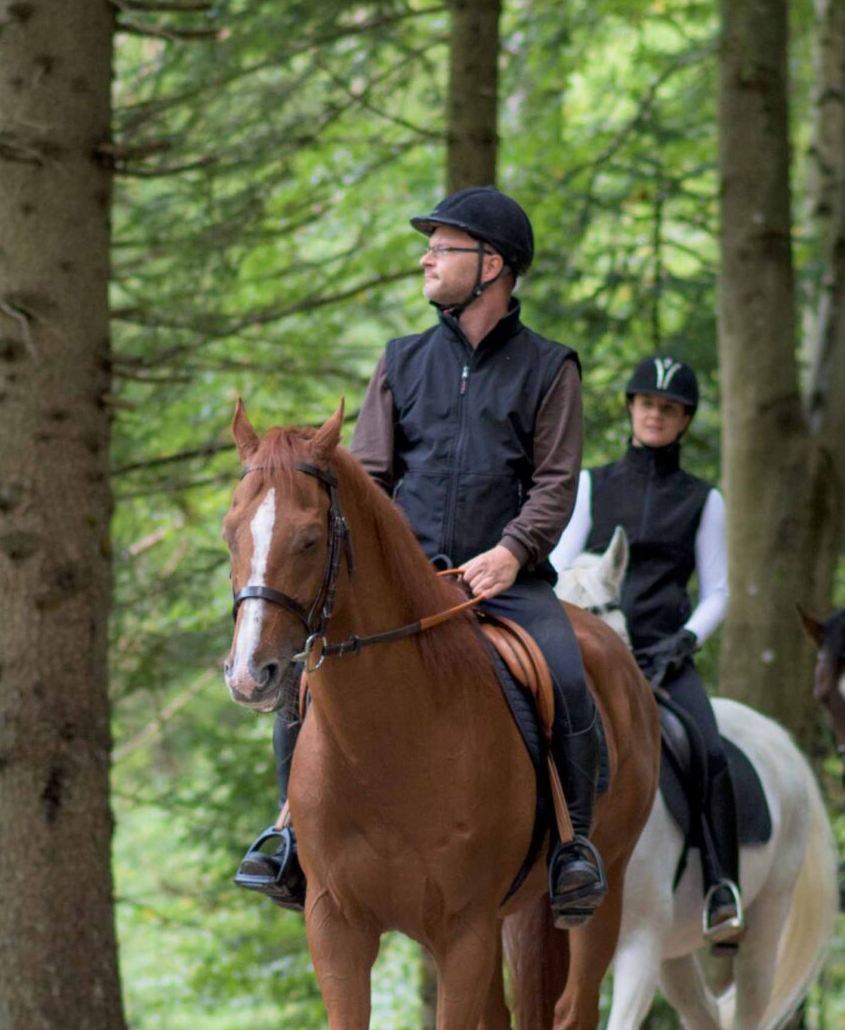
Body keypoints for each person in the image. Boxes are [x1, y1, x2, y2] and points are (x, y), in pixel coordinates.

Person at [234, 186, 610, 924]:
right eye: (429, 247)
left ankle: (573, 847)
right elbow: (370, 480)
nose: (425, 259)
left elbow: (556, 481)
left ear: (491, 264)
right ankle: (287, 835)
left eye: (441, 247)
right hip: (408, 587)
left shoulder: (549, 367)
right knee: (308, 677)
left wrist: (512, 552)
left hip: (504, 580)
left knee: (566, 674)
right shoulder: (401, 361)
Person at [552, 353, 743, 943]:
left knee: (709, 752)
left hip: (664, 656)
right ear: (631, 410)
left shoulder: (703, 499)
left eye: (668, 408)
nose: (655, 415)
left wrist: (686, 640)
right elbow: (559, 562)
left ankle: (720, 887)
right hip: (589, 647)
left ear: (684, 420)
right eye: (647, 404)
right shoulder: (591, 483)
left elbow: (716, 590)